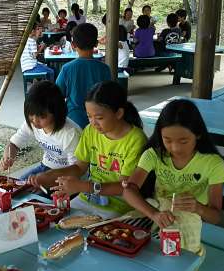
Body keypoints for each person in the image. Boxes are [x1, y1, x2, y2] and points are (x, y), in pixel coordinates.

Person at [122, 99, 224, 254]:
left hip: (192, 218)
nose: (175, 148)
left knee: (173, 253)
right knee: (128, 239)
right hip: (159, 212)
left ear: (198, 134)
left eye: (183, 141)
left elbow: (215, 217)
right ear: (160, 135)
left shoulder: (213, 164)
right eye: (167, 140)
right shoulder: (154, 155)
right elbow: (128, 191)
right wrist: (154, 214)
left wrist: (198, 207)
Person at [28, 81, 147, 219]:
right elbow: (79, 167)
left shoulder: (136, 140)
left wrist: (84, 187)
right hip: (89, 197)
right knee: (58, 220)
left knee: (94, 229)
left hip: (119, 204)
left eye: (99, 118)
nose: (93, 123)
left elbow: (124, 187)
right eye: (89, 116)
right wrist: (49, 176)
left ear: (119, 113)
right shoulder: (90, 131)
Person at [0, 81, 81, 180]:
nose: (35, 120)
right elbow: (13, 144)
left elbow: (76, 170)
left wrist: (48, 177)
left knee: (28, 188)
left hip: (67, 175)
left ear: (56, 112)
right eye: (31, 114)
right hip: (46, 167)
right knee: (18, 185)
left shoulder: (70, 133)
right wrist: (8, 157)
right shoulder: (32, 124)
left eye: (42, 116)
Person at [55, 23, 112, 128]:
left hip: (74, 121)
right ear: (96, 44)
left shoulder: (67, 68)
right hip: (98, 121)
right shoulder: (104, 69)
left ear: (73, 45)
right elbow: (109, 96)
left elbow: (57, 95)